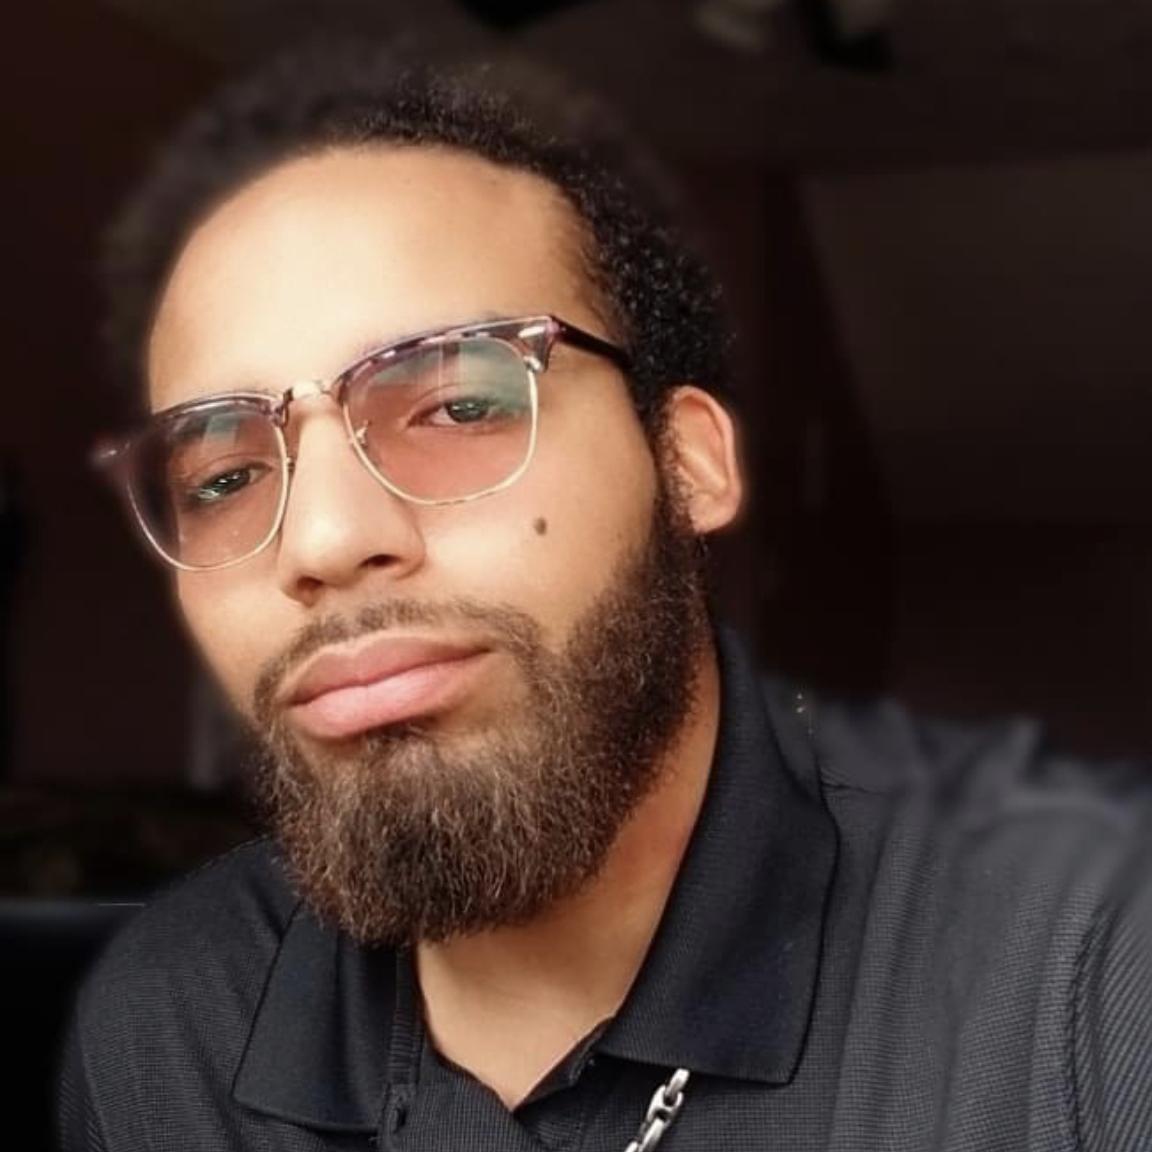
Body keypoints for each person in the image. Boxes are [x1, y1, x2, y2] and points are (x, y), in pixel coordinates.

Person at [60, 41, 1152, 1152]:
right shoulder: (173, 1026)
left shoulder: (1089, 967)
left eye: (459, 405)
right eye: (223, 478)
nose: (325, 540)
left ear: (688, 464)